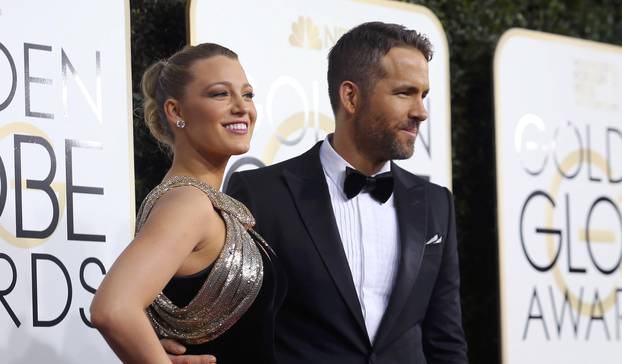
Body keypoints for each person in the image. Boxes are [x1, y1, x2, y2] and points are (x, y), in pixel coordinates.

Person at [167, 21, 468, 363]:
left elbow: (445, 338)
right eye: (404, 93)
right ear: (351, 96)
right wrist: (167, 349)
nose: (421, 112)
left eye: (423, 95)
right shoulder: (261, 193)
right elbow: (215, 311)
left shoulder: (435, 203)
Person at [90, 43, 286, 364]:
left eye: (247, 95)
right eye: (220, 94)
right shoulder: (188, 204)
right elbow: (113, 308)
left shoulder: (201, 202)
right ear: (176, 111)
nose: (241, 107)